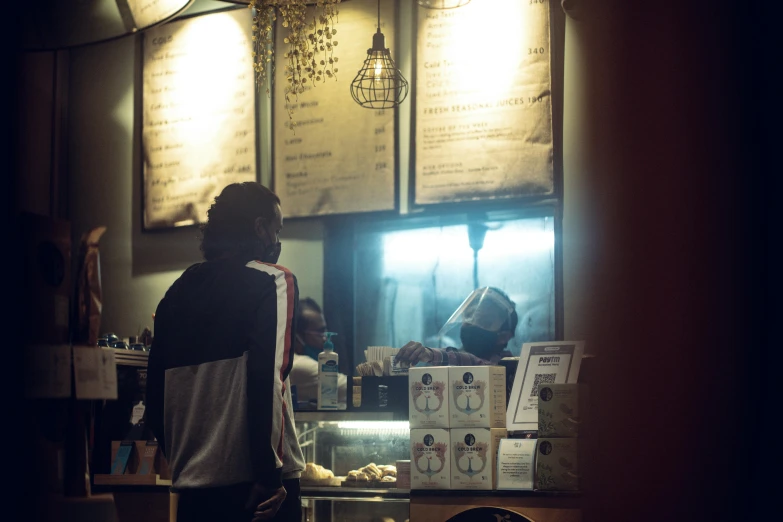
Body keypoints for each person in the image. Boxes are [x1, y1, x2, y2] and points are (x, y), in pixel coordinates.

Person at [146, 182, 305, 522]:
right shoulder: (273, 281)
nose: (277, 242)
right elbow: (268, 379)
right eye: (276, 230)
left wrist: (184, 464)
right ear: (260, 228)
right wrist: (268, 476)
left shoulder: (175, 293)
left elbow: (154, 395)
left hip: (194, 494)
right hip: (258, 493)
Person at [396, 287, 518, 366]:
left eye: (484, 321)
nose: (471, 324)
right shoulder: (452, 358)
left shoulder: (508, 366)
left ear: (504, 336)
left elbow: (477, 364)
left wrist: (431, 354)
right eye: (469, 316)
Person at [289, 297, 348, 406]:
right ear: (297, 338)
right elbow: (347, 388)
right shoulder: (299, 365)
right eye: (320, 332)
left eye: (325, 331)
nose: (325, 338)